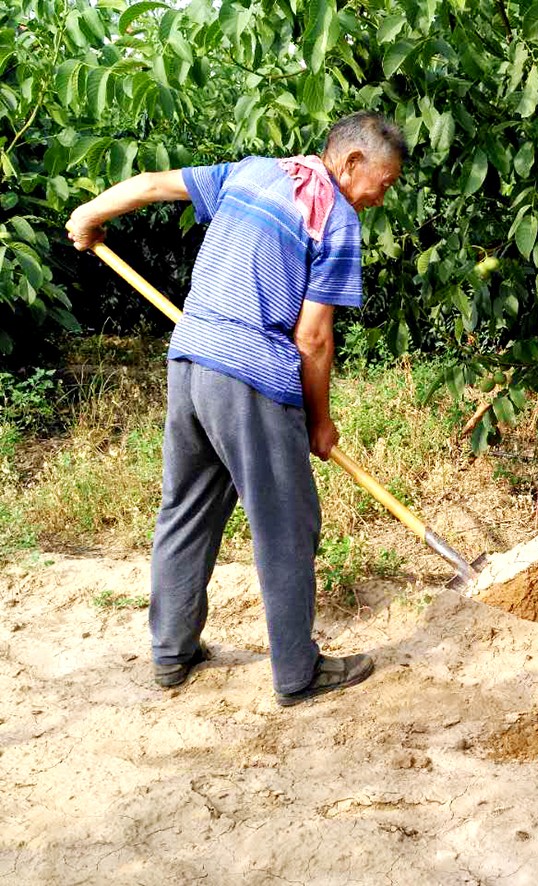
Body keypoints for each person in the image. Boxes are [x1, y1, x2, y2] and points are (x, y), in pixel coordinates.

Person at [65, 111, 405, 704]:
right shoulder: (336, 217)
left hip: (190, 362)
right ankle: (299, 674)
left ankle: (172, 655)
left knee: (186, 509)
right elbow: (314, 339)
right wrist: (319, 423)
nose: (385, 193)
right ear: (351, 163)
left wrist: (89, 216)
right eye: (387, 180)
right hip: (250, 376)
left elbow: (148, 184)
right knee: (287, 526)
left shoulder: (251, 172)